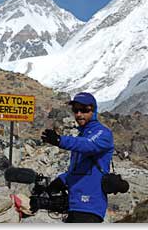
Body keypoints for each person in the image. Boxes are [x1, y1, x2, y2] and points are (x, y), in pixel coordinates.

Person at [41, 92, 114, 223]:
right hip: (74, 206)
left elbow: (88, 145)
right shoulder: (81, 136)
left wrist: (59, 140)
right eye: (76, 110)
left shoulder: (103, 133)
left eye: (85, 110)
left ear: (94, 110)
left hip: (90, 208)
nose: (79, 114)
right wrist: (61, 181)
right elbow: (79, 169)